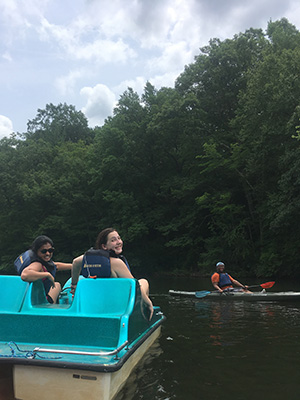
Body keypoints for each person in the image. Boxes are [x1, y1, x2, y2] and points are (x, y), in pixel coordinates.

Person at [71, 228, 153, 320]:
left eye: (119, 238)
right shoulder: (117, 263)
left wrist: (74, 284)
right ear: (104, 246)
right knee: (143, 282)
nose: (118, 242)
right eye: (113, 240)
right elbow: (135, 287)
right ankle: (144, 314)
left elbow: (75, 262)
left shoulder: (88, 259)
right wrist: (148, 302)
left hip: (97, 305)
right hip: (118, 306)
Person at [17, 235, 72, 303]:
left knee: (57, 284)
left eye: (50, 250)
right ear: (36, 251)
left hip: (38, 297)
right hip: (40, 302)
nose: (48, 253)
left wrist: (75, 266)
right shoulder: (37, 264)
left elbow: (56, 266)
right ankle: (52, 308)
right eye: (43, 251)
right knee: (56, 285)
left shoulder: (44, 262)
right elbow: (24, 275)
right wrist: (47, 275)